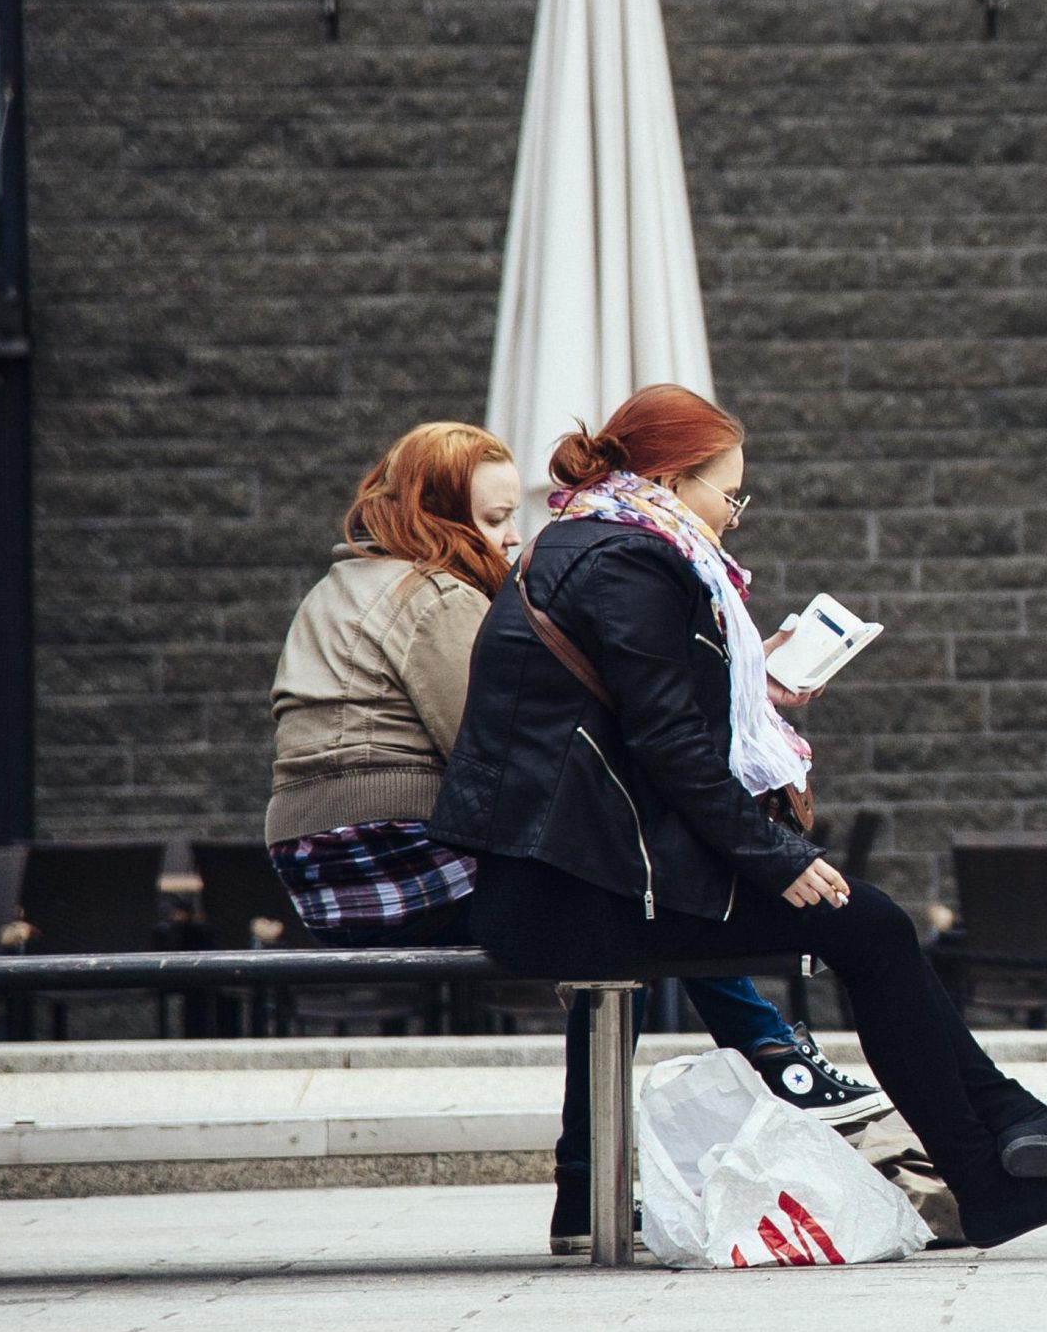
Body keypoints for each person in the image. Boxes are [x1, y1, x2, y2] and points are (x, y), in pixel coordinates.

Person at [430, 384, 1047, 1250]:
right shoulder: (628, 558)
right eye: (728, 493)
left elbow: (646, 709)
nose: (735, 516)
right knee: (873, 924)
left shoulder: (596, 542)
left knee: (872, 924)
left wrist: (753, 680)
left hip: (586, 871)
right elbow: (668, 741)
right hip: (583, 888)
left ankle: (1003, 1140)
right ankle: (996, 1153)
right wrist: (772, 854)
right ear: (671, 475)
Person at [265, 421, 886, 1258]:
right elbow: (497, 751)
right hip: (392, 859)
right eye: (490, 520)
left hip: (324, 863)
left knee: (620, 900)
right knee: (619, 894)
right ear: (436, 512)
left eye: (512, 514)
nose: (514, 534)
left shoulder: (343, 585)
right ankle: (760, 1065)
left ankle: (610, 1170)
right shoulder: (434, 597)